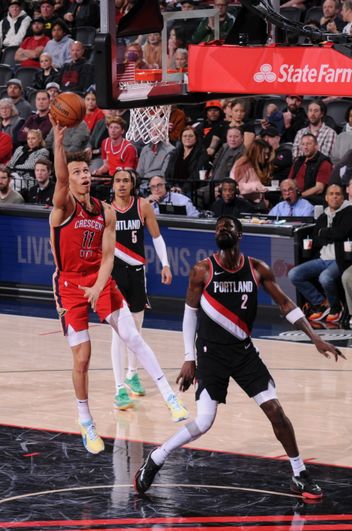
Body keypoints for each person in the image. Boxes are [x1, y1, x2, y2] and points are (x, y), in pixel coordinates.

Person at [134, 216, 345, 498]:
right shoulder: (202, 270)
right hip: (210, 353)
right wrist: (189, 358)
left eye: (227, 226)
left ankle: (299, 473)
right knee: (205, 421)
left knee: (276, 411)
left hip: (244, 352)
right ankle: (157, 458)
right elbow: (190, 314)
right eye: (218, 226)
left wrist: (315, 337)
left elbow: (285, 304)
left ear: (240, 234)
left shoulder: (257, 269)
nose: (221, 229)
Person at [48, 121, 188, 455]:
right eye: (77, 171)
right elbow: (60, 178)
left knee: (133, 336)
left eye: (86, 170)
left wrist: (98, 285)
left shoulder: (105, 211)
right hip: (68, 286)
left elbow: (109, 256)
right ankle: (86, 421)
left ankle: (170, 398)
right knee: (82, 357)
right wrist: (58, 142)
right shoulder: (63, 206)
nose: (83, 175)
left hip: (99, 279)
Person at [109, 169, 173, 410]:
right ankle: (119, 389)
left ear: (133, 184)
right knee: (117, 331)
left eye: (126, 180)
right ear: (113, 185)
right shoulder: (107, 210)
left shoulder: (143, 206)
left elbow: (156, 237)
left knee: (135, 327)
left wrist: (165, 264)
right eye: (118, 181)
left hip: (137, 273)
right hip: (114, 273)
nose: (122, 184)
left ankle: (132, 374)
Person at [288, 183, 352, 322]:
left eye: (338, 194)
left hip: (340, 259)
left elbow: (341, 233)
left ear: (343, 198)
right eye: (331, 194)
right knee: (294, 274)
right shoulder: (323, 216)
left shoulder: (349, 212)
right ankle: (322, 303)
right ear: (326, 198)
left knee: (325, 277)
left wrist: (324, 233)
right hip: (322, 258)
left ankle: (336, 308)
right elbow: (316, 238)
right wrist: (328, 235)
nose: (334, 197)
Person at [287, 133, 332, 204]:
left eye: (308, 144)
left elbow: (319, 188)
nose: (305, 147)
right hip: (296, 196)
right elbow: (289, 181)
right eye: (303, 144)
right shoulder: (299, 161)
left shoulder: (323, 163)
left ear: (316, 146)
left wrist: (300, 196)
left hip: (312, 199)